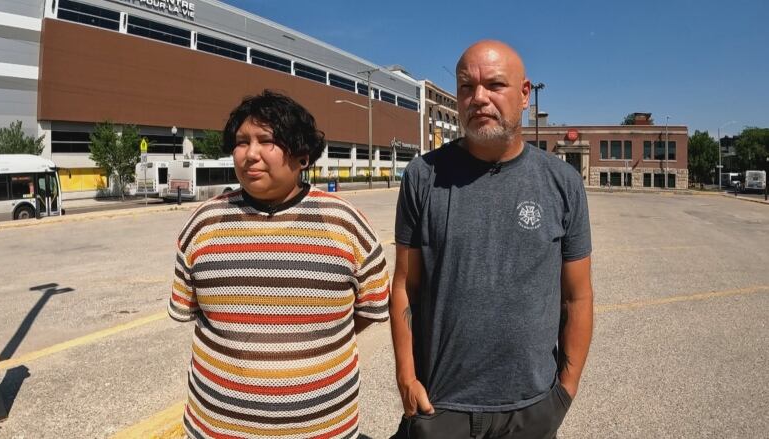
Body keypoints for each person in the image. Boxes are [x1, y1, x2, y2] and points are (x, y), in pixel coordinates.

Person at [390, 41, 594, 439]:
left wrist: (564, 393)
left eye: (495, 85)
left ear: (524, 94)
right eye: (467, 87)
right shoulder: (423, 176)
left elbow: (577, 296)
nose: (478, 98)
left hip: (531, 410)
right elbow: (404, 285)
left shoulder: (562, 182)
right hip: (440, 406)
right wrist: (406, 376)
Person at [168, 90, 390, 439]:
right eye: (241, 142)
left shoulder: (346, 223)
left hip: (324, 430)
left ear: (302, 154)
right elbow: (191, 310)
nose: (250, 154)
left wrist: (309, 340)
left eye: (266, 140)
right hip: (216, 429)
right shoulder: (204, 223)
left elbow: (368, 309)